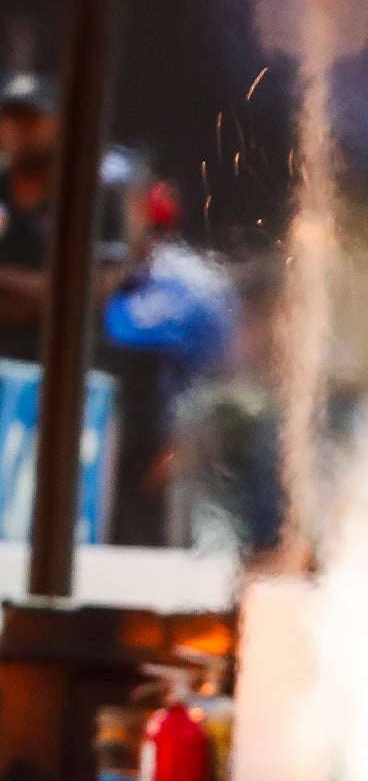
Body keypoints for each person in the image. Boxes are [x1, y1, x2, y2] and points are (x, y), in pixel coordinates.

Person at [98, 175, 236, 545]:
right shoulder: (90, 269)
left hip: (162, 441)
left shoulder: (191, 284)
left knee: (152, 555)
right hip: (96, 435)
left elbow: (218, 374)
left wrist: (185, 444)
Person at [0, 73, 130, 364]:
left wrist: (5, 279)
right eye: (11, 118)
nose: (20, 129)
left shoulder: (92, 196)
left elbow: (94, 294)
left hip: (65, 364)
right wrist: (51, 293)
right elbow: (70, 295)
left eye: (32, 118)